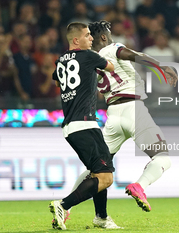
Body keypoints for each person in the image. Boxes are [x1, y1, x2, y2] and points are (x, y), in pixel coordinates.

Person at [70, 20, 177, 228]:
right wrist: (161, 65)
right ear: (103, 37)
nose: (112, 36)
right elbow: (136, 56)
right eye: (109, 33)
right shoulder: (112, 48)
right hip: (133, 108)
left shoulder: (92, 61)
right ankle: (139, 185)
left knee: (97, 169)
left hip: (113, 114)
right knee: (162, 157)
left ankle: (66, 206)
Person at [49, 22, 116, 230]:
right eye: (87, 36)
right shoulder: (88, 56)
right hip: (85, 123)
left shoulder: (60, 61)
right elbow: (111, 67)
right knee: (106, 177)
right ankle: (63, 205)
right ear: (75, 40)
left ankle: (101, 217)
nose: (92, 39)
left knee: (97, 172)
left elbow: (57, 81)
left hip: (70, 126)